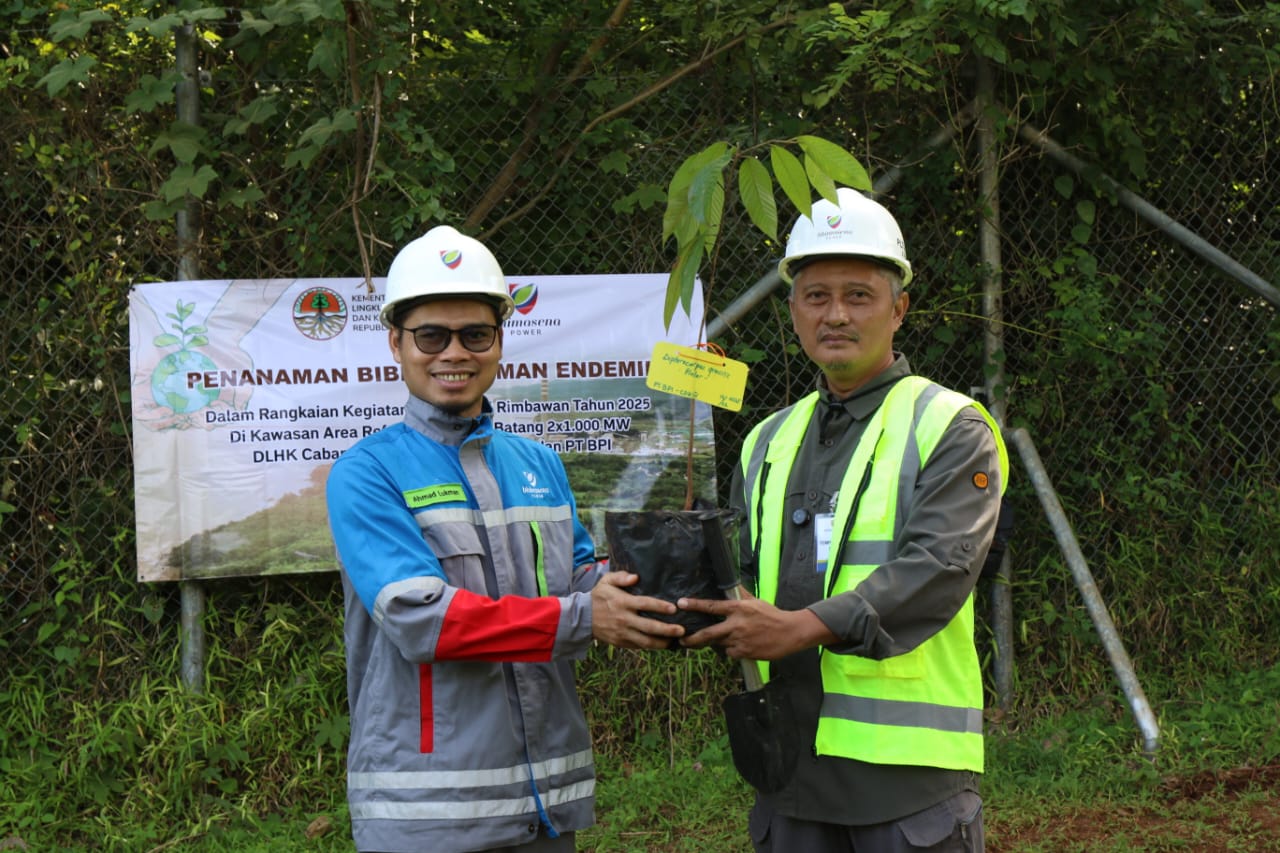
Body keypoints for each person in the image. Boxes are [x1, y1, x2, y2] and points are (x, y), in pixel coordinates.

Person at [326, 225, 685, 853]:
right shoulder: (366, 473)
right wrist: (584, 617)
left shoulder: (539, 463)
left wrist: (654, 588)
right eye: (431, 335)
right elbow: (423, 620)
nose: (453, 353)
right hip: (428, 814)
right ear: (396, 344)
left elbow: (577, 580)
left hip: (544, 804)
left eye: (475, 334)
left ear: (500, 341)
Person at [678, 188, 1008, 853]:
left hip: (908, 784)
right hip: (789, 769)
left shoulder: (949, 426)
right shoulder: (767, 439)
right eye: (816, 295)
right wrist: (689, 600)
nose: (835, 314)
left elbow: (938, 569)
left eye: (858, 295)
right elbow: (743, 575)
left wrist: (798, 628)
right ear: (793, 309)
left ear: (899, 309)